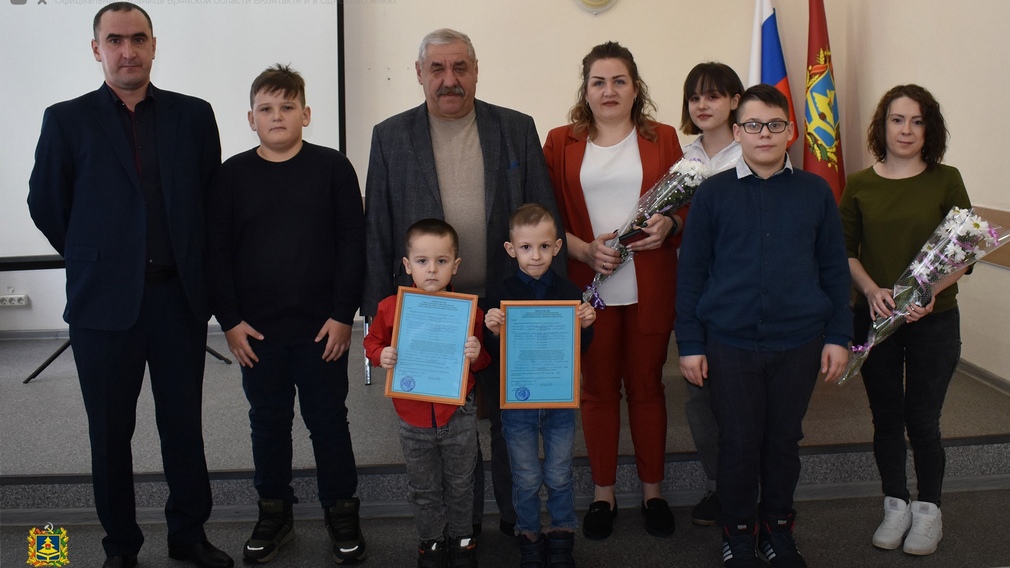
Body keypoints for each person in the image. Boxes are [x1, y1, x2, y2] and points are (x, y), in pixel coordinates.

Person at [26, 4, 232, 568]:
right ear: (97, 49)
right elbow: (47, 204)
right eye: (114, 40)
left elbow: (209, 201)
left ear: (153, 45)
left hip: (177, 301)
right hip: (102, 306)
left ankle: (188, 534)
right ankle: (121, 545)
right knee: (110, 434)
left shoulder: (193, 116)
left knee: (183, 428)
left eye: (138, 39)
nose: (127, 50)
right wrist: (96, 255)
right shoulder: (66, 119)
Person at [363, 27, 564, 536]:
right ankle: (463, 527)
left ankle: (517, 520)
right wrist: (378, 313)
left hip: (506, 303)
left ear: (476, 71)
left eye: (460, 68)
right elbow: (378, 229)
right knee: (450, 426)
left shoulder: (516, 128)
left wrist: (550, 303)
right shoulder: (390, 136)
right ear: (419, 74)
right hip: (429, 309)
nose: (448, 79)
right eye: (437, 68)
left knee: (511, 417)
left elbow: (544, 214)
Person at [676, 84, 851, 568]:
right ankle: (737, 532)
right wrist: (690, 343)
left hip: (799, 341)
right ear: (737, 132)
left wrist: (839, 336)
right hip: (729, 343)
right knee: (737, 441)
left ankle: (777, 527)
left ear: (790, 131)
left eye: (775, 125)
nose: (765, 134)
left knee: (783, 441)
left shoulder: (815, 192)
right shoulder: (712, 194)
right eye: (753, 125)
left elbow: (834, 271)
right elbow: (691, 275)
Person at [205, 64, 366, 564]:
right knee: (268, 423)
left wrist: (343, 315)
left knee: (328, 421)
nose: (277, 116)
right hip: (257, 332)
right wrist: (229, 322)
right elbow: (216, 254)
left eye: (287, 107)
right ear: (251, 118)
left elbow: (352, 246)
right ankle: (274, 513)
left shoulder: (333, 168)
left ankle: (342, 512)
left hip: (323, 330)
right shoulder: (231, 175)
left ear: (306, 114)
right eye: (267, 109)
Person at [543, 41, 683, 540]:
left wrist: (671, 224)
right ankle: (603, 494)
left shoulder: (664, 138)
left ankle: (653, 492)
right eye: (598, 82)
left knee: (647, 387)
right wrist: (583, 251)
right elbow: (545, 217)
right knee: (598, 391)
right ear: (585, 90)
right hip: (589, 289)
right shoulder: (560, 142)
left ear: (635, 87)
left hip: (650, 285)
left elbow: (691, 205)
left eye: (619, 81)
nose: (609, 91)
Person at [838, 84, 970, 557]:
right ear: (883, 126)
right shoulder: (859, 184)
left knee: (924, 421)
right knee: (887, 418)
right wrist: (870, 289)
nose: (907, 130)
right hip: (875, 319)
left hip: (934, 320)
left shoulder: (946, 179)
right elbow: (843, 251)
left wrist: (931, 292)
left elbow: (964, 250)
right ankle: (895, 503)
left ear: (929, 129)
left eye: (917, 121)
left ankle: (929, 510)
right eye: (898, 120)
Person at [364, 219, 490, 568]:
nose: (432, 269)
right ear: (407, 265)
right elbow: (371, 342)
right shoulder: (390, 308)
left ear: (455, 265)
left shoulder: (470, 310)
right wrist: (380, 355)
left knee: (461, 483)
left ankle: (462, 539)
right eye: (422, 261)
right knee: (423, 488)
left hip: (458, 415)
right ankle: (431, 541)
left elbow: (483, 363)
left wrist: (477, 354)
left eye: (441, 261)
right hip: (413, 418)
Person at [483, 204, 596, 567]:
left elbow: (580, 348)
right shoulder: (499, 295)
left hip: (559, 402)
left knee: (560, 473)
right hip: (518, 404)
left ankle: (562, 533)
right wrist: (493, 331)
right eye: (526, 247)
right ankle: (529, 535)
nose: (536, 256)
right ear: (510, 249)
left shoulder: (569, 291)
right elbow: (493, 354)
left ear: (557, 247)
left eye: (544, 247)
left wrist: (586, 326)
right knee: (527, 476)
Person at [678, 61, 746, 527]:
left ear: (735, 101)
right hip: (695, 291)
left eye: (714, 95)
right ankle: (719, 485)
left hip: (739, 293)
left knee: (743, 398)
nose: (703, 105)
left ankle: (751, 486)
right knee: (699, 397)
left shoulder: (752, 151)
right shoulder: (683, 159)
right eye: (695, 97)